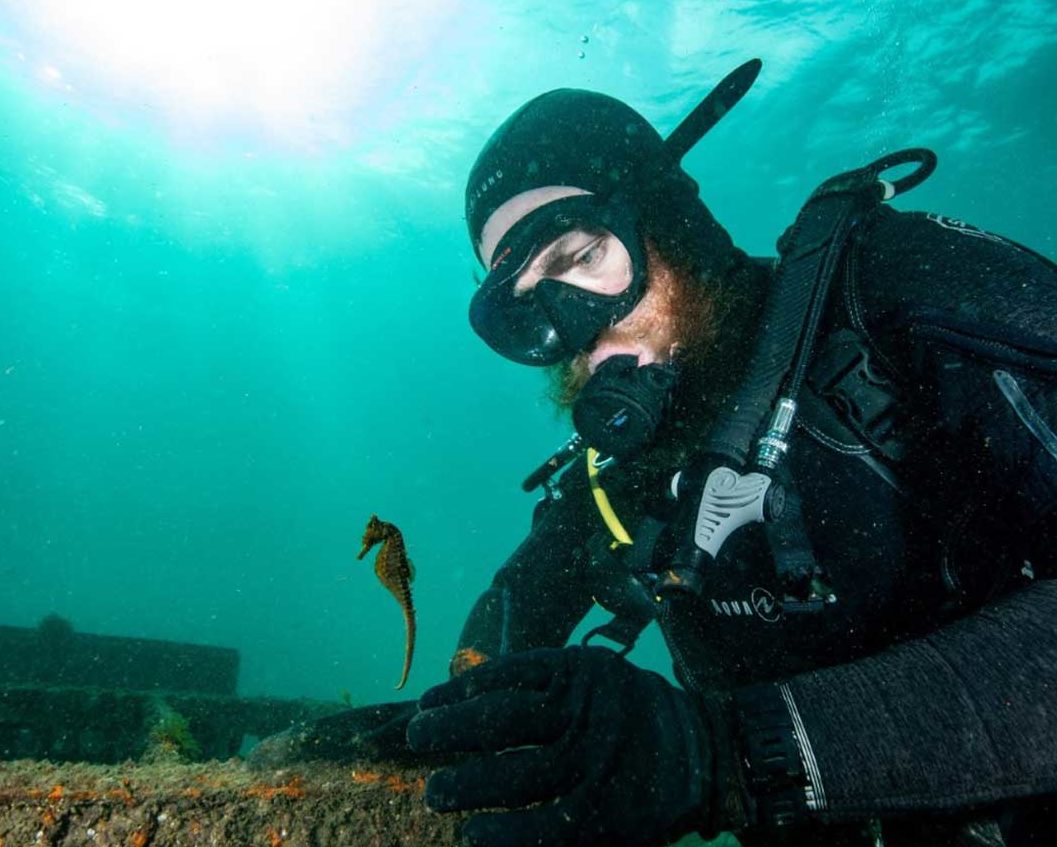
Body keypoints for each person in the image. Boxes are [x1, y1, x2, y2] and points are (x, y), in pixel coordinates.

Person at [252, 60, 1057, 847]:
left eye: (579, 257)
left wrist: (729, 753)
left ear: (667, 218)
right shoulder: (616, 488)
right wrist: (449, 724)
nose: (577, 328)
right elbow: (515, 611)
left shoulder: (897, 295)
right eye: (527, 307)